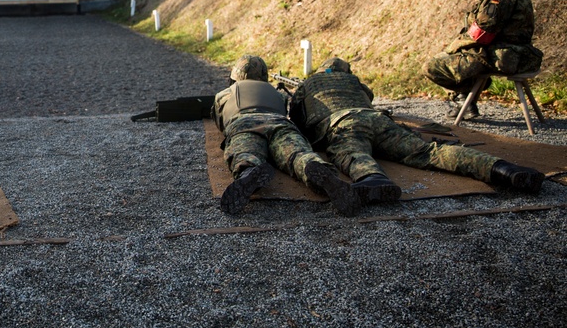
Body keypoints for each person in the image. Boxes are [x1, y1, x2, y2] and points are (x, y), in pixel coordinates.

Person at [289, 57, 545, 200]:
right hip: (377, 120)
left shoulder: (309, 84)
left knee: (351, 152)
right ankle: (502, 168)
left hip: (342, 123)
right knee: (429, 152)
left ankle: (373, 179)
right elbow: (368, 96)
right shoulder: (354, 81)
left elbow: (298, 120)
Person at [213, 54, 360, 217]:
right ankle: (313, 167)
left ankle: (248, 170)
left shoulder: (224, 94)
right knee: (298, 154)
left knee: (245, 152)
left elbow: (221, 121)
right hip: (280, 123)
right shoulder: (278, 94)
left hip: (245, 122)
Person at [423, 0, 542, 118]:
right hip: (503, 50)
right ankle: (465, 101)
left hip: (504, 53)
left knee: (432, 66)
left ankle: (464, 99)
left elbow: (483, 33)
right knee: (455, 57)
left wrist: (454, 46)